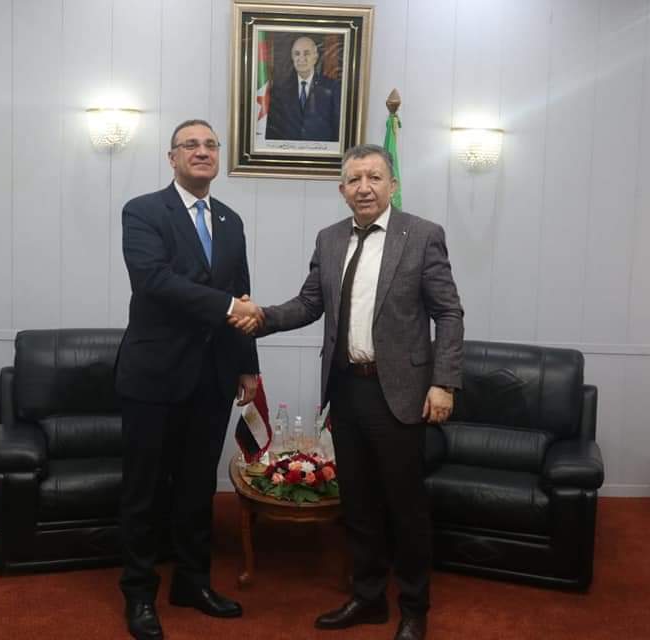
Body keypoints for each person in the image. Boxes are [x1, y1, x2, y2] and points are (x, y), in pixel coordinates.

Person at [232, 144, 464, 640]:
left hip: (400, 392)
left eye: (374, 177)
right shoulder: (330, 238)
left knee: (404, 506)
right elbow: (309, 303)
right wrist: (263, 317)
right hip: (346, 389)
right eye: (354, 179)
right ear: (342, 190)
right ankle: (368, 597)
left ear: (392, 185)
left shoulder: (423, 236)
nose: (364, 187)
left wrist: (443, 382)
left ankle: (414, 607)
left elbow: (448, 313)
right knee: (357, 502)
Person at [115, 119, 264, 640]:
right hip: (154, 376)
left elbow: (242, 291)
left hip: (213, 376)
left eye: (210, 145)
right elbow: (153, 281)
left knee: (198, 487)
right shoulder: (143, 211)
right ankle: (139, 592)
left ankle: (192, 582)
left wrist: (247, 364)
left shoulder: (230, 220)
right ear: (172, 157)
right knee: (145, 490)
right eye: (190, 145)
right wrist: (228, 306)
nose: (202, 152)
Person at [265, 35, 341, 142]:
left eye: (306, 53)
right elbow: (273, 130)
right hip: (288, 150)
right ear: (292, 57)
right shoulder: (280, 90)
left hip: (321, 151)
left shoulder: (332, 88)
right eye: (297, 54)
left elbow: (338, 129)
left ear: (315, 57)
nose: (301, 58)